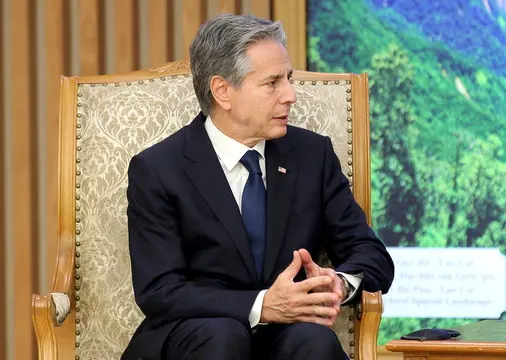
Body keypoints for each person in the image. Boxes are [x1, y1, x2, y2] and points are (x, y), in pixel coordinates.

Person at [121, 13, 394, 360]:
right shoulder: (159, 169)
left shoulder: (312, 155)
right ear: (223, 91)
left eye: (289, 79)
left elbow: (372, 255)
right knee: (222, 337)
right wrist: (262, 305)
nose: (291, 95)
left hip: (288, 338)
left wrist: (338, 283)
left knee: (315, 343)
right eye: (272, 83)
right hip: (198, 336)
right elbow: (160, 290)